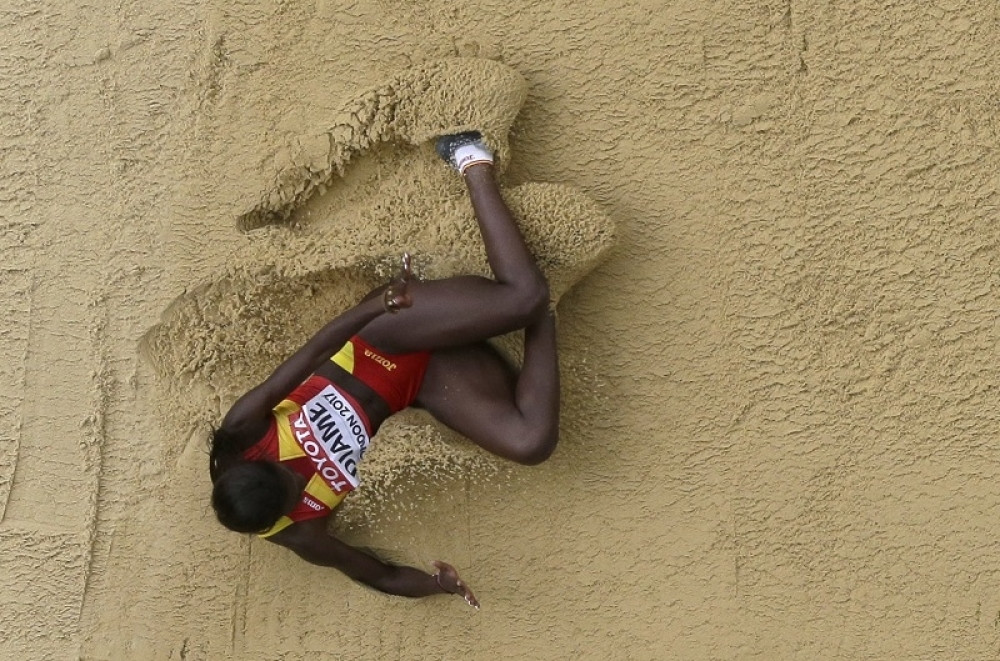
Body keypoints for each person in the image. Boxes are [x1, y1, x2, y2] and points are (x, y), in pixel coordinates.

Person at [209, 132, 560, 609]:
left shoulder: (243, 430)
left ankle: (469, 156)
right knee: (530, 443)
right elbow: (379, 574)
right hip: (421, 382)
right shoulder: (300, 530)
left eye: (287, 474)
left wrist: (377, 305)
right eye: (296, 490)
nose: (300, 477)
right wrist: (439, 585)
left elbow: (313, 353)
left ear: (257, 460)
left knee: (521, 296)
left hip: (382, 335)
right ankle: (550, 309)